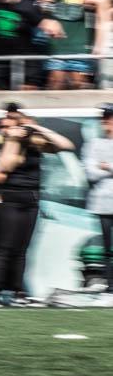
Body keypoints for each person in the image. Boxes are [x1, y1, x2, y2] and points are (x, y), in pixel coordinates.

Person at [0, 107, 72, 306]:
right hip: (11, 198)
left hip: (31, 199)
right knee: (5, 246)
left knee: (21, 249)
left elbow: (66, 145)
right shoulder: (6, 141)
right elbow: (5, 166)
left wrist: (36, 128)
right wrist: (14, 140)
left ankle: (15, 291)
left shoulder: (37, 143)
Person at [84, 104, 113, 299]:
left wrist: (106, 166)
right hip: (103, 203)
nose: (107, 122)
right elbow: (90, 172)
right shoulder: (94, 143)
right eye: (105, 118)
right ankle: (109, 285)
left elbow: (98, 169)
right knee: (107, 248)